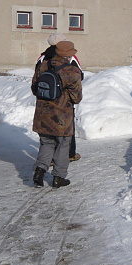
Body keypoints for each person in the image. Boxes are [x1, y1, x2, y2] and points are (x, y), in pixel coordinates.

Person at [32, 41, 83, 188]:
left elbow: (34, 88)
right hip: (62, 116)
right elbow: (76, 97)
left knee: (46, 143)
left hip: (42, 115)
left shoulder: (43, 66)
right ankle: (58, 177)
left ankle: (40, 170)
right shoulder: (72, 71)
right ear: (69, 54)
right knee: (62, 145)